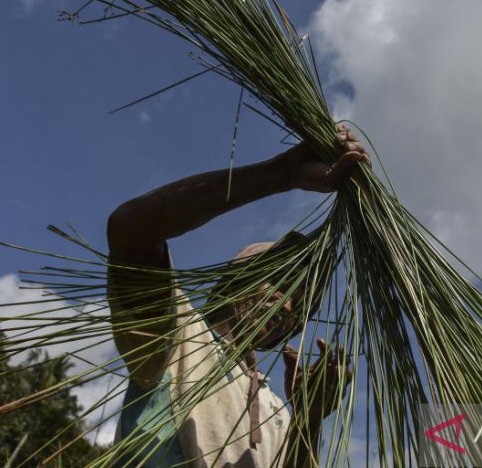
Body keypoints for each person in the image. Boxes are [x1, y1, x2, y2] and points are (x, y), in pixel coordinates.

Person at [106, 125, 371, 467]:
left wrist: (310, 418)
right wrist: (283, 173)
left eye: (300, 303)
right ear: (235, 280)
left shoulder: (278, 413)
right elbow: (130, 229)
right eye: (277, 281)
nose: (288, 303)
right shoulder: (178, 335)